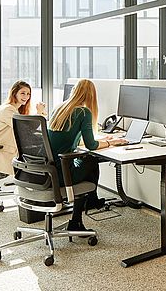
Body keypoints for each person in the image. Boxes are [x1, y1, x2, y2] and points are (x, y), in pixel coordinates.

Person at [48, 79, 126, 232]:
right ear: (91, 95)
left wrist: (104, 139)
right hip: (61, 173)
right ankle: (87, 206)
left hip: (48, 170)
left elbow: (73, 139)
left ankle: (90, 202)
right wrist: (112, 143)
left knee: (87, 160)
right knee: (91, 160)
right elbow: (91, 145)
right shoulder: (83, 112)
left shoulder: (60, 108)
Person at [0, 80, 47, 175]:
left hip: (7, 148)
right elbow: (24, 129)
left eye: (28, 94)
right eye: (22, 93)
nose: (26, 97)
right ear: (14, 93)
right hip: (1, 151)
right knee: (40, 155)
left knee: (40, 150)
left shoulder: (16, 110)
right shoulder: (7, 110)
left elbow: (29, 127)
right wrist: (39, 113)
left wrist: (39, 114)